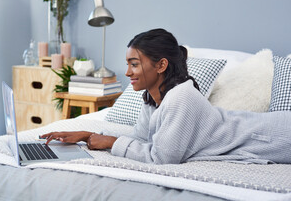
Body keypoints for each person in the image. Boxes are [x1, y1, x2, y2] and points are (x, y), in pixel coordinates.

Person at [40, 28, 291, 165]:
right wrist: (88, 135)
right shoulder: (154, 99)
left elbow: (162, 156)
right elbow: (140, 138)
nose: (127, 72)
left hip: (274, 135)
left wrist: (110, 143)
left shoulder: (181, 97)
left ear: (161, 66)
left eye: (135, 64)